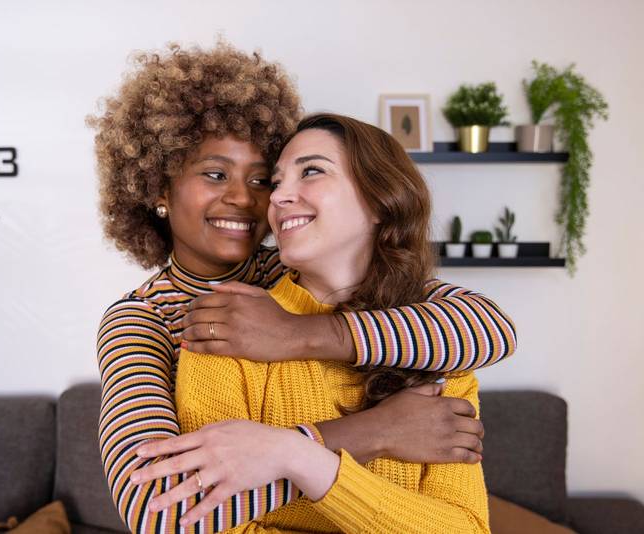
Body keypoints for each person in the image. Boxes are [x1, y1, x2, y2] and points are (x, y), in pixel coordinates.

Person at [88, 42, 515, 533]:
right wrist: (366, 434)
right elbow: (161, 512)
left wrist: (298, 333)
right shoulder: (156, 322)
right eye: (214, 174)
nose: (244, 198)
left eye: (260, 179)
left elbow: (491, 329)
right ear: (157, 188)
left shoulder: (303, 275)